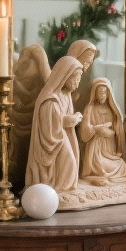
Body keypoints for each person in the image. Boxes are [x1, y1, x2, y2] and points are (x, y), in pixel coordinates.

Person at [25, 55, 83, 192]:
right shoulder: (50, 99)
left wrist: (72, 118)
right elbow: (49, 126)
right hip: (54, 141)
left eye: (79, 78)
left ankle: (64, 189)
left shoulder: (65, 95)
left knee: (71, 162)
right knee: (68, 162)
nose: (77, 82)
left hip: (62, 136)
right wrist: (68, 121)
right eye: (75, 78)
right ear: (65, 75)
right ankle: (59, 188)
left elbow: (62, 117)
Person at [79, 79, 126, 185]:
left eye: (104, 92)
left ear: (108, 94)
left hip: (110, 149)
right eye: (99, 92)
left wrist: (115, 125)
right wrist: (98, 129)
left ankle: (104, 177)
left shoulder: (112, 109)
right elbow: (84, 130)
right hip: (95, 151)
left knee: (122, 166)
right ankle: (98, 177)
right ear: (94, 93)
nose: (102, 95)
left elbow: (117, 129)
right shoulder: (90, 108)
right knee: (100, 167)